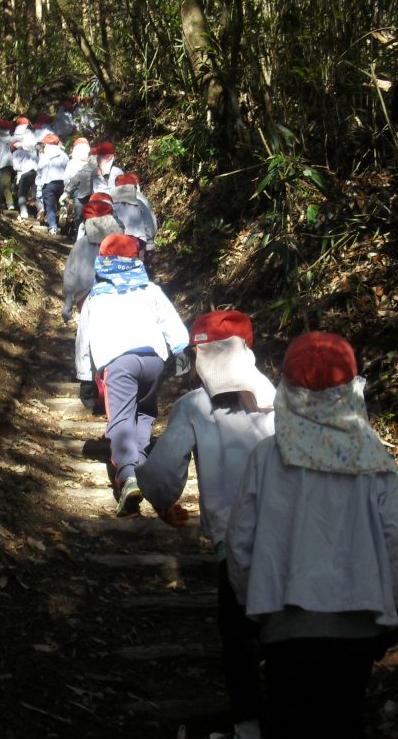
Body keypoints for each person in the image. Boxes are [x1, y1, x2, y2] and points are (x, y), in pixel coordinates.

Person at [226, 332, 398, 739]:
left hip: (285, 623)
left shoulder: (266, 459)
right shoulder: (373, 458)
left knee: (287, 719)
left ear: (287, 391)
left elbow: (241, 540)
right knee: (343, 719)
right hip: (359, 623)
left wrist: (249, 600)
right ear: (350, 390)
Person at [137, 310, 276, 739]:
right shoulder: (282, 399)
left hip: (232, 546)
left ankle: (249, 726)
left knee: (236, 639)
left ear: (202, 356)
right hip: (291, 538)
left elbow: (161, 476)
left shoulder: (195, 407)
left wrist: (161, 502)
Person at [74, 234, 189, 516]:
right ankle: (140, 461)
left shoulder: (95, 297)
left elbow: (84, 339)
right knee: (145, 411)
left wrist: (85, 375)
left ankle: (128, 474)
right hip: (152, 359)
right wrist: (181, 352)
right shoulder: (150, 290)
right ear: (136, 261)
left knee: (122, 417)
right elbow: (171, 322)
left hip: (118, 361)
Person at [62, 200, 124, 322]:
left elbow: (70, 273)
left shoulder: (81, 244)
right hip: (116, 296)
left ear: (86, 222)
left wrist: (68, 303)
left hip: (85, 297)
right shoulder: (123, 242)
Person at [111, 173, 158, 262]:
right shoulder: (139, 202)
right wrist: (150, 242)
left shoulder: (110, 205)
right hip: (137, 240)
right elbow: (149, 222)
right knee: (137, 266)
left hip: (115, 241)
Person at [35, 133, 69, 235]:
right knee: (61, 202)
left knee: (49, 207)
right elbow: (68, 170)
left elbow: (39, 173)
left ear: (46, 144)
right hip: (61, 183)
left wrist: (39, 188)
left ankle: (53, 227)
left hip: (48, 184)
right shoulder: (64, 155)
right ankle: (63, 212)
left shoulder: (45, 157)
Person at [10, 116, 38, 220]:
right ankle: (41, 210)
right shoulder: (31, 137)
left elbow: (16, 166)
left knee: (21, 193)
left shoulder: (16, 149)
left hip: (24, 172)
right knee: (36, 193)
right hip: (36, 170)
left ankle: (24, 211)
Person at [0, 118, 16, 211]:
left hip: (2, 166)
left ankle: (7, 203)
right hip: (11, 166)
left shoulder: (0, 141)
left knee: (2, 185)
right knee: (6, 184)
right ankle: (5, 203)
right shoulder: (12, 140)